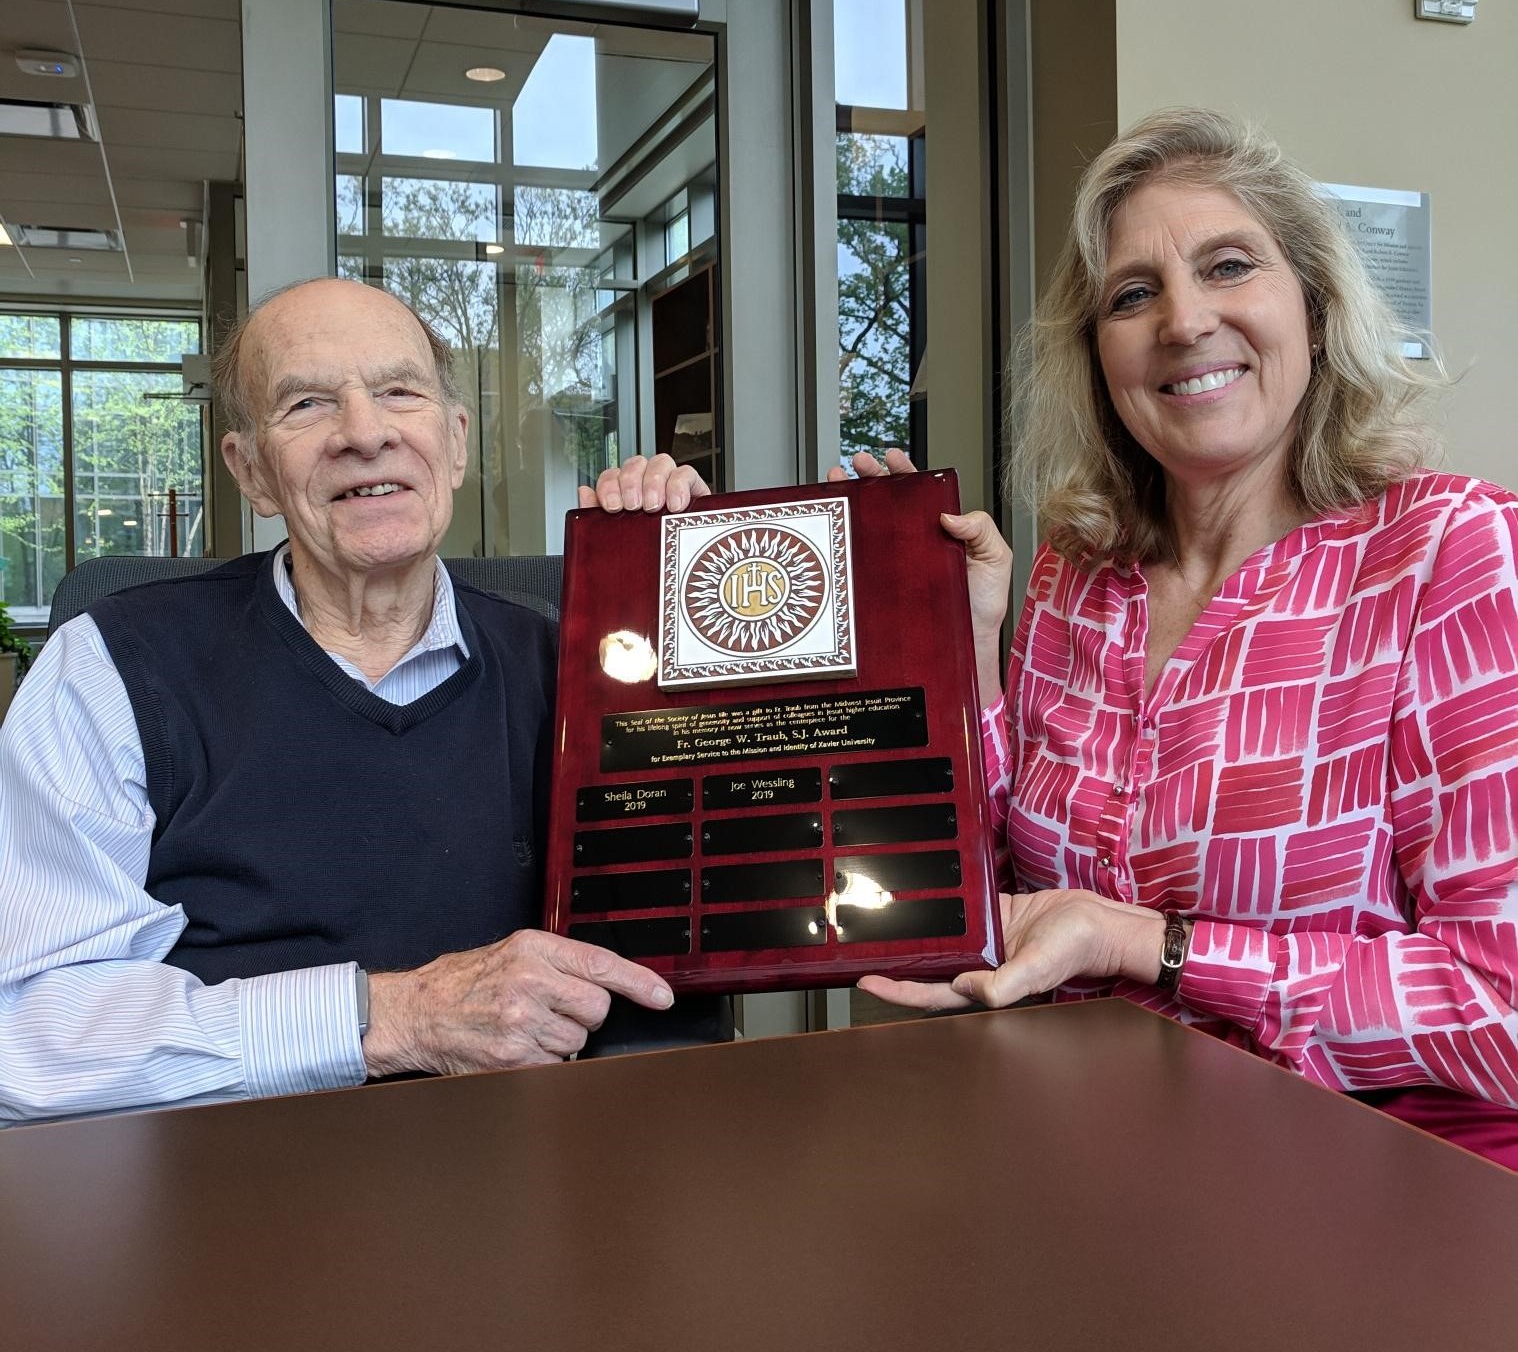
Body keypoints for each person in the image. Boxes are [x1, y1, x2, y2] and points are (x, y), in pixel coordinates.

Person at [847, 108, 1518, 1166]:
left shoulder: (1450, 553)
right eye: (1134, 294)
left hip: (1381, 1195)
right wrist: (964, 651)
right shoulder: (1080, 570)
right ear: (1099, 355)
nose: (1185, 320)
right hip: (1093, 1162)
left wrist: (1147, 948)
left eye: (1229, 266)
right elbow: (995, 890)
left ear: (1315, 303)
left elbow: (1499, 1008)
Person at [0, 277, 710, 1124]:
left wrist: (680, 595)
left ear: (453, 444)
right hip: (233, 1193)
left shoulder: (580, 664)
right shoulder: (110, 668)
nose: (365, 433)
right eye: (306, 404)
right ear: (252, 470)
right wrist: (391, 1019)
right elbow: (28, 1038)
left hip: (539, 1176)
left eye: (399, 392)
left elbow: (724, 894)